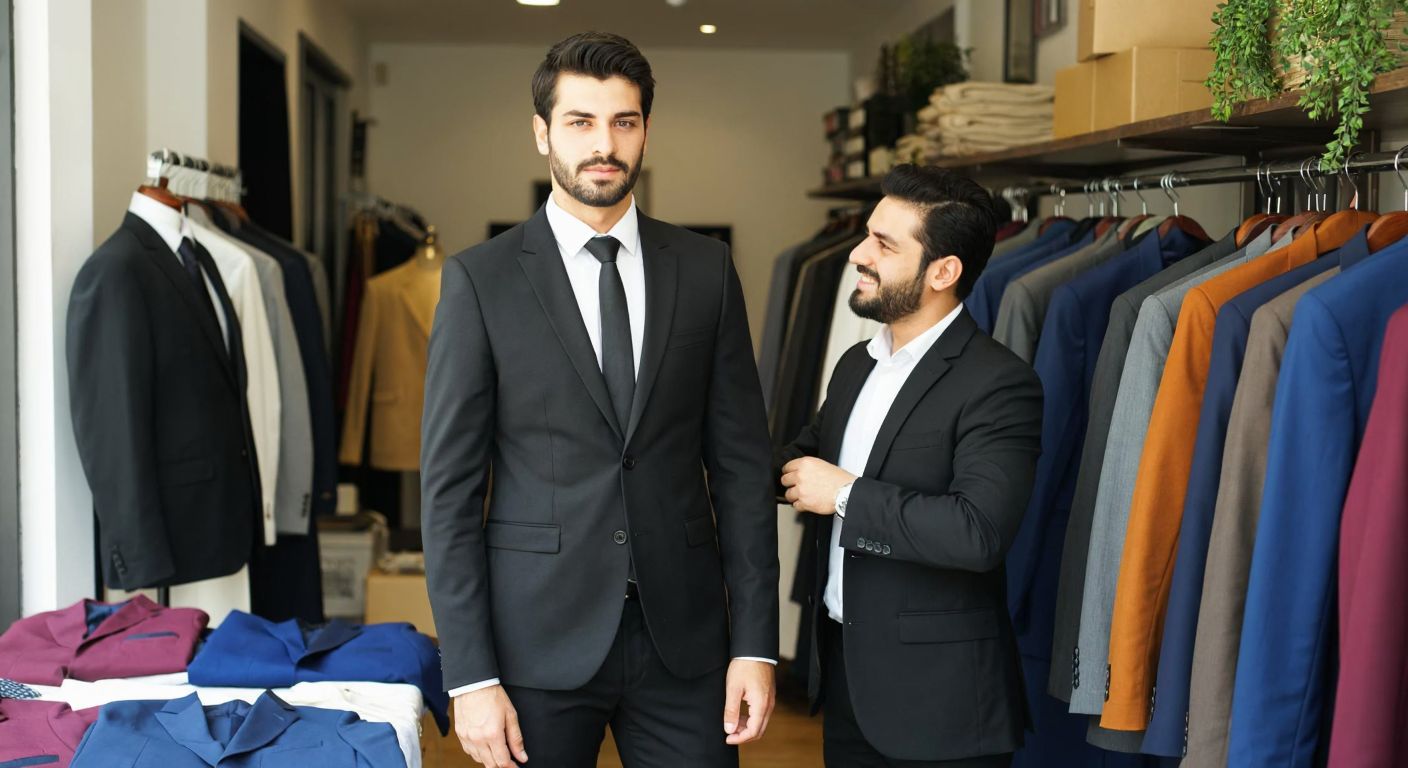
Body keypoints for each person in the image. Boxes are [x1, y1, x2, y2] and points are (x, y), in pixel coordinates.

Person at [421, 31, 779, 768]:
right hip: (533, 643)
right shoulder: (481, 280)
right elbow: (449, 492)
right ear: (542, 133)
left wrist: (756, 646)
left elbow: (742, 469)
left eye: (624, 121)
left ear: (646, 131)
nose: (604, 145)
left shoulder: (706, 270)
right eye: (580, 121)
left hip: (686, 643)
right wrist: (471, 674)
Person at [779, 164, 1041, 767]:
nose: (858, 254)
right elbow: (803, 463)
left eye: (884, 244)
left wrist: (845, 495)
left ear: (943, 272)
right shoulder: (856, 364)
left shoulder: (999, 383)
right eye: (867, 236)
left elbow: (978, 532)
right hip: (848, 680)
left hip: (942, 704)